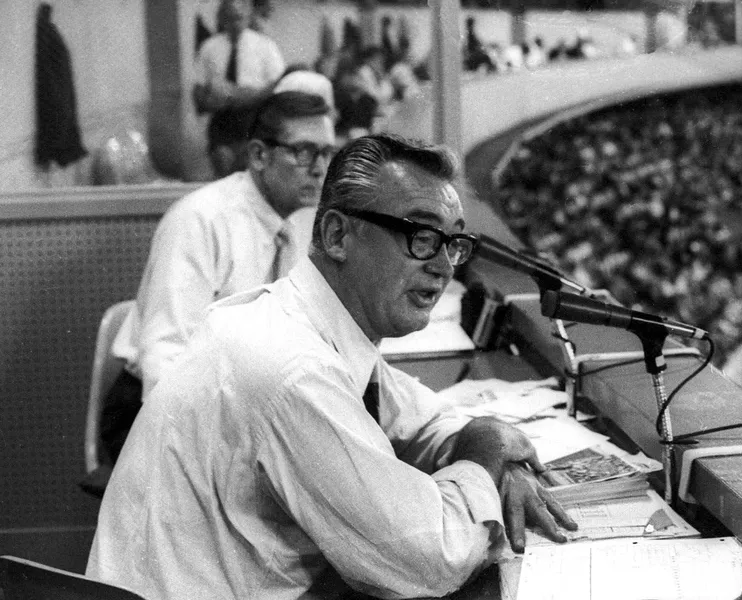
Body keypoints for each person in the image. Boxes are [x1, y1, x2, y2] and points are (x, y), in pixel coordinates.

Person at [86, 133, 578, 599]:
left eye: (453, 243)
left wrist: (486, 452)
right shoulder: (292, 368)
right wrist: (485, 456)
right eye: (422, 235)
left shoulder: (307, 321)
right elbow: (429, 559)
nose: (445, 265)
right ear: (338, 234)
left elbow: (416, 416)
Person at [93, 91, 335, 476]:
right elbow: (165, 356)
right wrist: (196, 455)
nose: (320, 168)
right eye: (305, 152)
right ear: (258, 155)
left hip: (243, 405)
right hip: (156, 411)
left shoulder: (303, 223)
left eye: (327, 153)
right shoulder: (201, 220)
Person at [193, 0, 285, 177]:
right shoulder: (210, 47)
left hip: (254, 117)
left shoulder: (265, 46)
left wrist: (249, 96)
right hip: (223, 118)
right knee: (222, 164)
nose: (235, 24)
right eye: (229, 18)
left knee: (252, 170)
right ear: (221, 19)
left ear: (248, 16)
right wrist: (210, 100)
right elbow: (198, 88)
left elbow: (278, 85)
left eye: (239, 18)